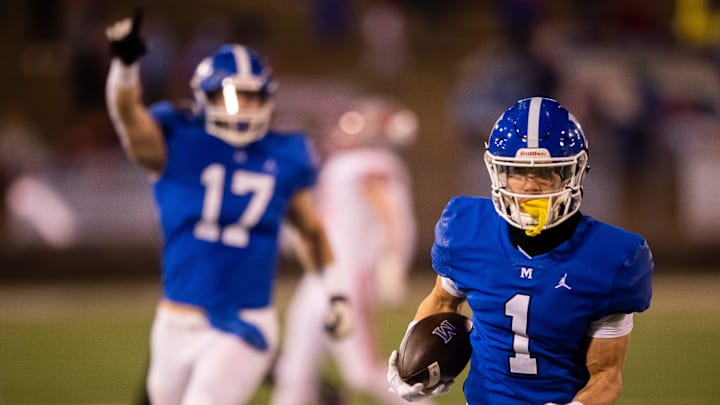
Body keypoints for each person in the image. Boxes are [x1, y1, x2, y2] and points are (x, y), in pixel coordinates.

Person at [104, 10, 351, 405]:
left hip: (245, 323)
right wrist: (125, 68)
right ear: (205, 98)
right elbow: (128, 117)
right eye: (231, 96)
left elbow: (311, 230)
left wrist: (335, 292)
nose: (242, 109)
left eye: (252, 97)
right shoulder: (177, 139)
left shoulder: (285, 154)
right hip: (175, 320)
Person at [387, 97, 654, 405]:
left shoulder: (612, 258)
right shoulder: (466, 229)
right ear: (497, 172)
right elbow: (443, 301)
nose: (530, 186)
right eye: (517, 171)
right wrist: (414, 350)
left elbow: (606, 376)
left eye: (544, 172)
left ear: (571, 174)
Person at [271, 96, 426, 405]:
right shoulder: (343, 164)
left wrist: (392, 262)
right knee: (294, 372)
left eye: (354, 125)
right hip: (318, 276)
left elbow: (390, 215)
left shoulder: (369, 164)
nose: (343, 131)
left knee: (362, 370)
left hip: (348, 278)